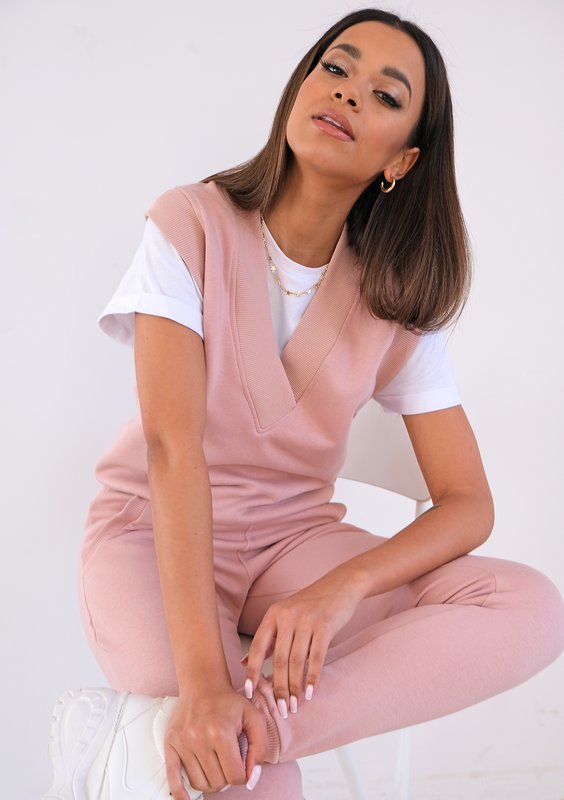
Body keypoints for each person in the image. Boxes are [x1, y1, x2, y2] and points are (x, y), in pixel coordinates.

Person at [44, 8, 564, 800]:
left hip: (293, 547)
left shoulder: (394, 295)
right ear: (301, 88)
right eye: (336, 68)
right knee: (260, 784)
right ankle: (220, 732)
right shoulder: (191, 225)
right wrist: (203, 686)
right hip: (153, 536)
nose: (349, 93)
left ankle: (198, 734)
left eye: (385, 96)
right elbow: (173, 450)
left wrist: (339, 589)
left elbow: (467, 504)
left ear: (402, 160)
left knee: (526, 604)